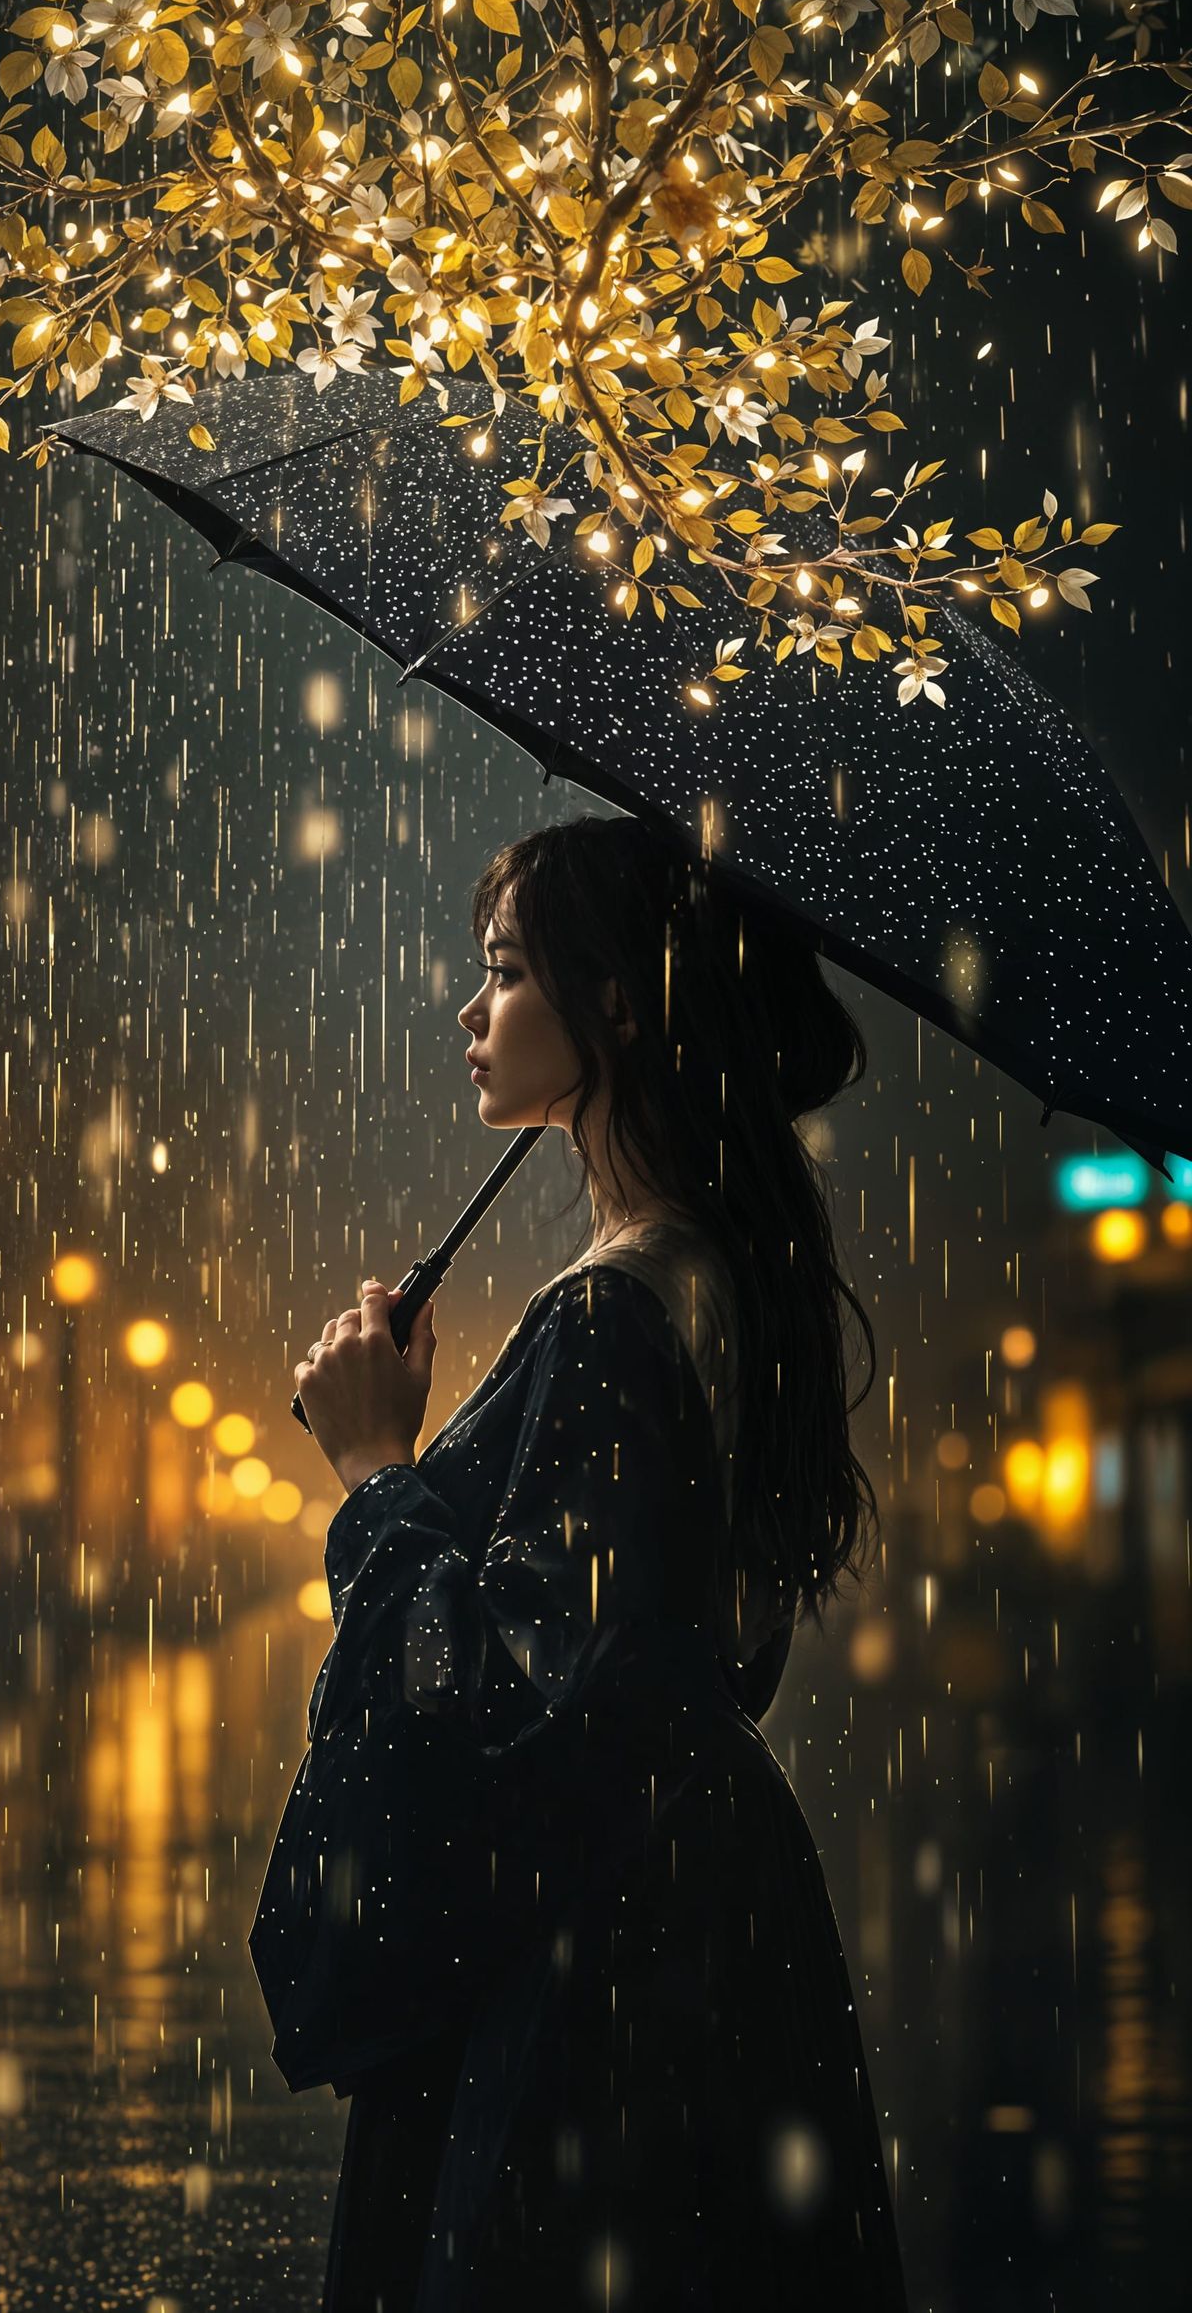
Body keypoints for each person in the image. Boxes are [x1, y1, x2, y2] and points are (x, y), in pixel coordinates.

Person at [249, 813, 908, 2311]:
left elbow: (502, 1697)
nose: (468, 1013)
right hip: (713, 1916)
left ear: (617, 1002)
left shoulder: (615, 1313)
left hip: (600, 1966)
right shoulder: (712, 1277)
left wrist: (375, 1472)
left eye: (502, 973)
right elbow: (679, 1652)